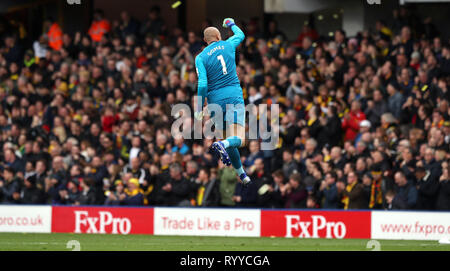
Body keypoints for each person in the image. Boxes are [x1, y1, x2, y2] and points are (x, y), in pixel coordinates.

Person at [193, 18, 250, 186]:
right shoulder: (228, 44)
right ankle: (223, 144)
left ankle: (242, 174)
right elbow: (241, 34)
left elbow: (202, 84)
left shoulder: (200, 57)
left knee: (228, 138)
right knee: (238, 139)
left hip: (214, 102)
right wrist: (231, 24)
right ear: (218, 36)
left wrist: (198, 108)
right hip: (233, 96)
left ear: (205, 41)